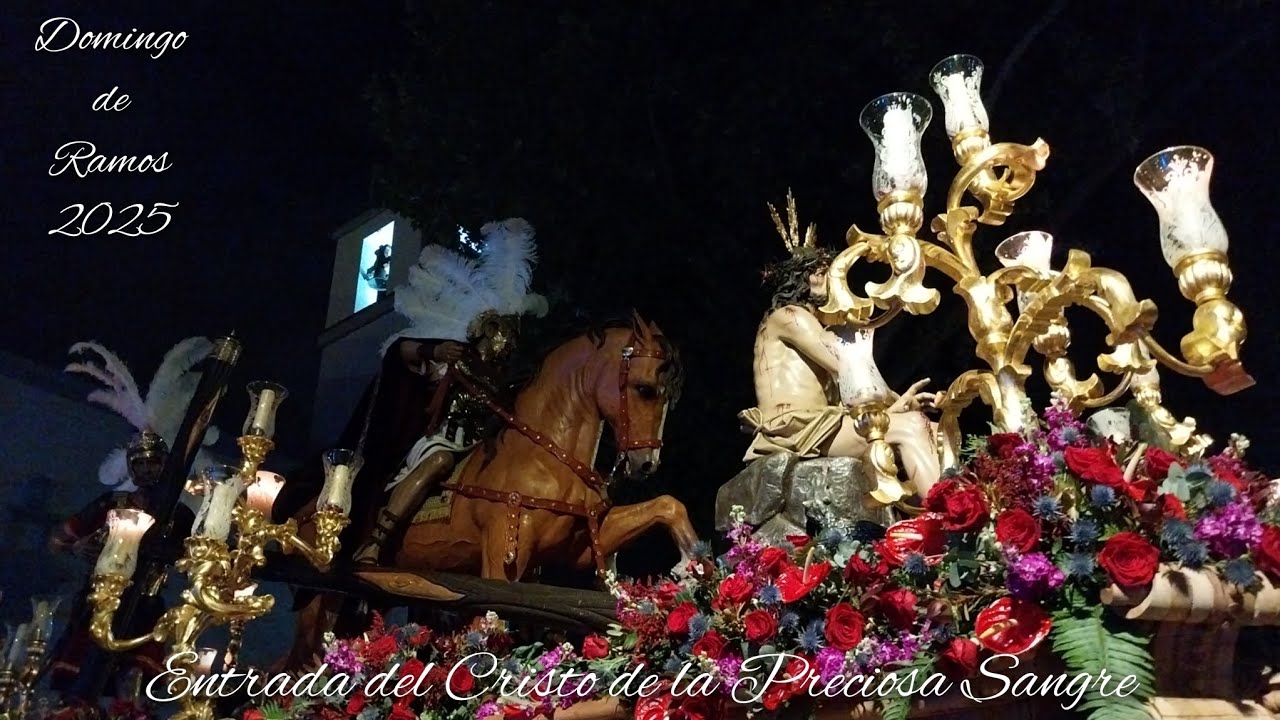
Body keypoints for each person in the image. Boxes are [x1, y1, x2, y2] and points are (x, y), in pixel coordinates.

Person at [739, 192, 941, 501]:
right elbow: (849, 366)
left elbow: (853, 386)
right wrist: (899, 402)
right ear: (797, 280)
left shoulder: (810, 324)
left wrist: (897, 403)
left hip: (824, 423)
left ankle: (929, 514)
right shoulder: (789, 316)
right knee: (911, 426)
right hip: (798, 429)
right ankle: (948, 522)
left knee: (934, 432)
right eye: (818, 274)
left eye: (827, 272)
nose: (828, 280)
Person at [48, 431, 195, 696]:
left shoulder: (180, 516)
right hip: (98, 601)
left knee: (133, 688)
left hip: (146, 604)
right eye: (140, 463)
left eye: (153, 462)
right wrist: (76, 547)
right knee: (77, 681)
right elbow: (57, 541)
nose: (147, 469)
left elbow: (196, 560)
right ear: (131, 466)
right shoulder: (110, 504)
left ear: (164, 465)